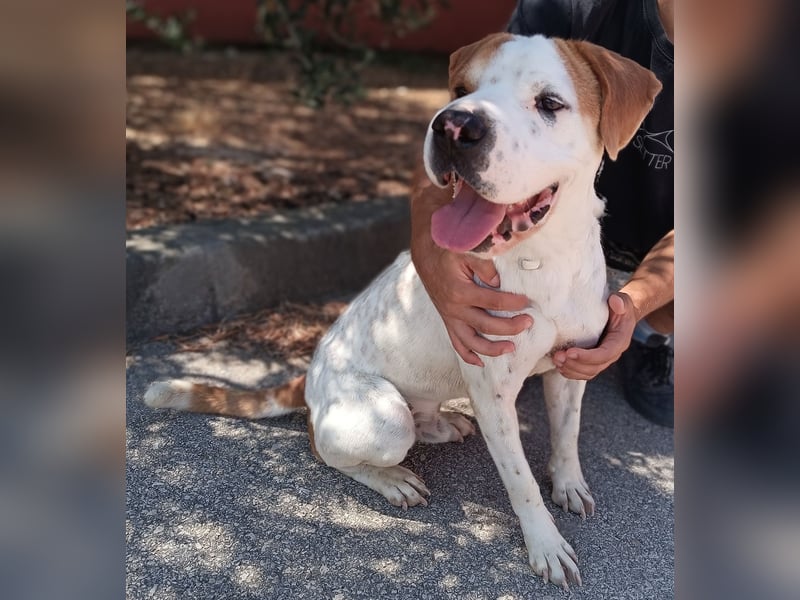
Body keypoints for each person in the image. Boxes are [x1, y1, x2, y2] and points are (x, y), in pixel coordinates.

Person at [410, 0, 675, 426]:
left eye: (549, 103)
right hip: (558, 221)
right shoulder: (574, 7)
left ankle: (653, 335)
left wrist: (630, 310)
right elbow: (468, 115)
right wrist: (430, 253)